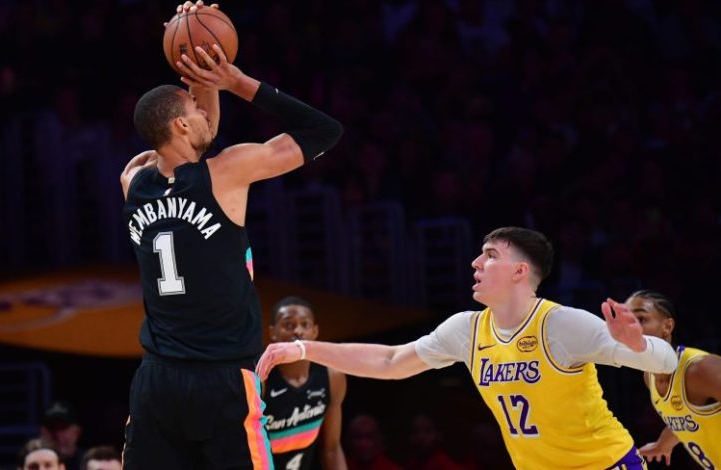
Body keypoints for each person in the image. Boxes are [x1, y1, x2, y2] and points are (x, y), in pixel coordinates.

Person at [120, 1, 343, 467]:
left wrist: (199, 75)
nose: (205, 114)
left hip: (157, 382)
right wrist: (234, 80)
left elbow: (191, 144)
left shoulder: (133, 180)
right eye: (194, 111)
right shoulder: (228, 173)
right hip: (223, 378)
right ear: (182, 124)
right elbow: (323, 130)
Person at [258, 226, 679, 470]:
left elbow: (666, 362)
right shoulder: (467, 329)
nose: (476, 263)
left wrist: (640, 345)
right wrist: (306, 349)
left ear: (519, 271)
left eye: (489, 256)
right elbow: (390, 360)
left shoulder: (561, 324)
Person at [626, 290, 721, 468]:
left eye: (640, 319)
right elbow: (685, 418)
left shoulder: (701, 369)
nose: (629, 328)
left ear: (667, 327)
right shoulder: (650, 376)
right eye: (625, 321)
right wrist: (663, 444)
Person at [263, 296, 347, 470]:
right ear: (272, 332)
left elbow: (332, 449)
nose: (298, 331)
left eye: (305, 324)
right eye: (288, 325)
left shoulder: (332, 376)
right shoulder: (260, 379)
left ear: (315, 332)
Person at [39, 401, 83, 470]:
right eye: (51, 428)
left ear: (77, 432)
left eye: (63, 427)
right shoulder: (32, 462)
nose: (57, 434)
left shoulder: (89, 464)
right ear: (41, 431)